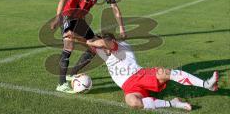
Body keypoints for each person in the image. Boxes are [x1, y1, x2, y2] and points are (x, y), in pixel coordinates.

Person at [84, 33, 218, 110]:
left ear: (112, 41)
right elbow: (93, 44)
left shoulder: (121, 46)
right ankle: (173, 103)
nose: (103, 50)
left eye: (104, 46)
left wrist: (94, 43)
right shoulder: (105, 52)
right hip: (129, 87)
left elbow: (103, 43)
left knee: (165, 73)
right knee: (132, 102)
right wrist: (75, 38)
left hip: (139, 75)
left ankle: (206, 84)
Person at [51, 0, 126, 93]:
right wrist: (57, 18)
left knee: (95, 47)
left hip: (80, 20)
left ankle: (72, 74)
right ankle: (61, 84)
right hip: (68, 15)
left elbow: (114, 7)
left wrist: (121, 27)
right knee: (69, 45)